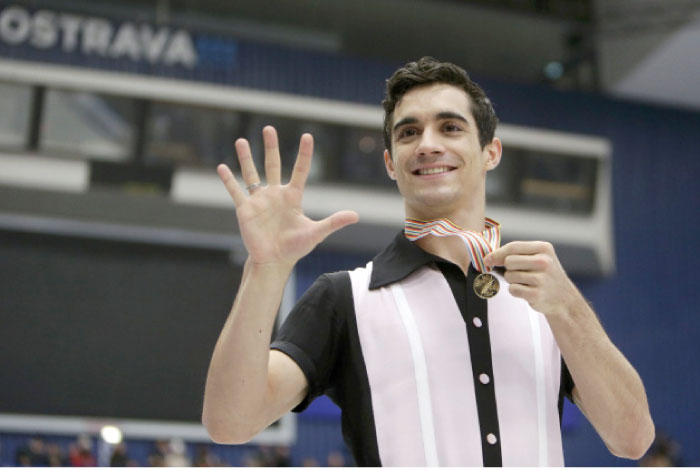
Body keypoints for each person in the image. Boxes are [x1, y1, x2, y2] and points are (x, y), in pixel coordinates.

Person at [202, 57, 655, 466]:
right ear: (390, 163)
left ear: (490, 153)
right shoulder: (346, 299)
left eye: (451, 128)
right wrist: (266, 268)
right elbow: (230, 422)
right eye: (408, 132)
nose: (427, 144)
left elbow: (632, 439)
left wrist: (570, 309)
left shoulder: (545, 297)